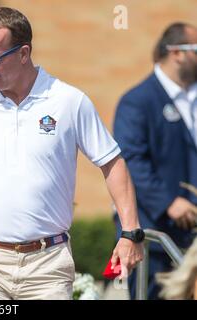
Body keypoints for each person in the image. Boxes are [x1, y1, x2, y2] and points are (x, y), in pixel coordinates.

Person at [0, 7, 144, 300]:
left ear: (24, 53)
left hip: (49, 265)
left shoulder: (69, 102)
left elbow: (112, 164)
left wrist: (129, 232)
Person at [113, 22, 197, 300]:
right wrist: (168, 201)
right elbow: (130, 161)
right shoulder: (137, 101)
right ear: (177, 53)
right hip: (157, 234)